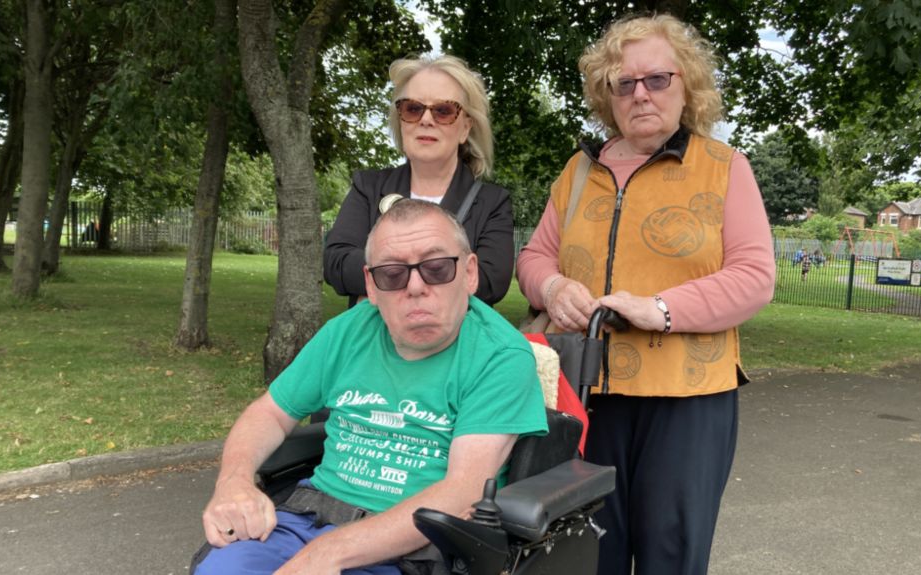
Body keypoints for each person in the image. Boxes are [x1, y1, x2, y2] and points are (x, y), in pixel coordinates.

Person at [516, 14, 775, 575]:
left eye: (657, 79)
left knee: (671, 553)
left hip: (688, 396)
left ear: (688, 86)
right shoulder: (578, 171)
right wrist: (553, 285)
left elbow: (755, 276)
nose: (641, 94)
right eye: (624, 83)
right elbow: (534, 257)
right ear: (606, 95)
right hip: (584, 391)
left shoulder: (726, 168)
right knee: (585, 548)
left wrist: (660, 309)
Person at [195, 200, 547, 575]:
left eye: (436, 268)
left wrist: (330, 551)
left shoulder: (499, 355)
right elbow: (269, 413)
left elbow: (463, 490)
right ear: (371, 285)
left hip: (417, 545)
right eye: (392, 274)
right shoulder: (346, 332)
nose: (415, 286)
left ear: (470, 272)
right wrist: (234, 482)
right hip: (308, 520)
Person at [325, 55, 514, 307]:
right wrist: (439, 269)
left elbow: (491, 281)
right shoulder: (368, 187)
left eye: (443, 111)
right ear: (400, 120)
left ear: (466, 128)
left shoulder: (492, 203)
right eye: (413, 109)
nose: (426, 120)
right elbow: (336, 262)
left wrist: (386, 273)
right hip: (374, 345)